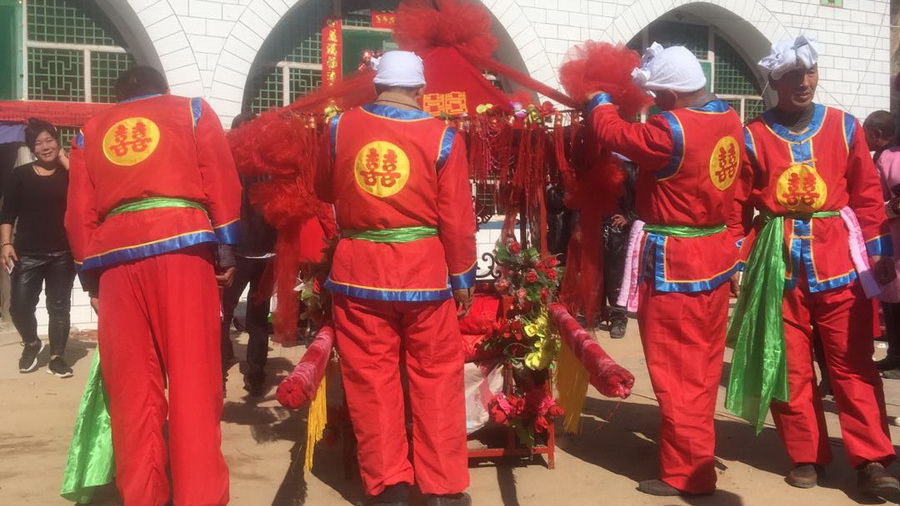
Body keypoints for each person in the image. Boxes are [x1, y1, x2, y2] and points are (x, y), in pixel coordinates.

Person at [65, 66, 241, 506]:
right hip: (182, 250)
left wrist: (90, 276)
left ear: (118, 97)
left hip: (115, 260)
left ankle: (143, 496)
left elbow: (79, 212)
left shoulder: (90, 132)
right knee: (193, 379)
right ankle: (200, 496)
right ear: (163, 90)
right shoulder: (192, 111)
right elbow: (221, 180)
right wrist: (226, 248)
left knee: (132, 391)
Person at [730, 36, 898, 494]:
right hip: (776, 264)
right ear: (774, 80)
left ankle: (872, 458)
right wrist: (734, 261)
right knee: (789, 363)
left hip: (839, 261)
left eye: (809, 72)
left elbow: (867, 195)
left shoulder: (845, 127)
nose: (803, 82)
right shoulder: (752, 135)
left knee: (853, 362)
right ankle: (806, 454)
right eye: (792, 75)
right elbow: (737, 205)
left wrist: (880, 250)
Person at [316, 51, 475, 506]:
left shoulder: (338, 127)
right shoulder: (443, 135)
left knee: (371, 378)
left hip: (359, 272)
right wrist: (462, 277)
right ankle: (443, 489)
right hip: (425, 275)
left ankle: (389, 488)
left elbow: (324, 189)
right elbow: (457, 219)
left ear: (376, 85)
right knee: (436, 376)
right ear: (421, 90)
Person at [586, 43, 744, 496]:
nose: (654, 102)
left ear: (671, 96)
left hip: (678, 264)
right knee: (703, 368)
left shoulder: (670, 129)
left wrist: (598, 100)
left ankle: (687, 473)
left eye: (657, 96)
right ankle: (695, 452)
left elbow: (615, 134)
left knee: (675, 370)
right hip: (714, 257)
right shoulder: (728, 118)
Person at [2, 118, 76, 377]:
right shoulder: (21, 175)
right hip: (27, 253)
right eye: (38, 143)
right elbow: (7, 213)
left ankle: (57, 357)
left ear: (57, 141)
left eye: (49, 140)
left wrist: (65, 158)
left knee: (59, 306)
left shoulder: (70, 173)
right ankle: (32, 343)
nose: (45, 147)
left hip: (63, 253)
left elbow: (87, 184)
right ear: (32, 148)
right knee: (19, 307)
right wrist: (6, 243)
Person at [221, 111, 277, 396]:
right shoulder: (272, 165)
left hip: (241, 253)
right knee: (254, 317)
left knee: (226, 312)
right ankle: (254, 375)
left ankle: (223, 368)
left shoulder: (227, 164)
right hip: (260, 252)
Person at [864, 110, 900, 379]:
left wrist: (881, 211)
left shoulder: (892, 158)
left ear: (877, 134)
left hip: (896, 243)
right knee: (890, 302)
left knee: (897, 303)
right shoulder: (882, 156)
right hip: (888, 243)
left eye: (865, 132)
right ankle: (894, 355)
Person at [602, 155, 637, 339]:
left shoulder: (628, 169)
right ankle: (598, 310)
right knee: (596, 272)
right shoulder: (596, 168)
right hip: (598, 226)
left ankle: (618, 317)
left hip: (618, 230)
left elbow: (644, 198)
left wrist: (629, 218)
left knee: (616, 274)